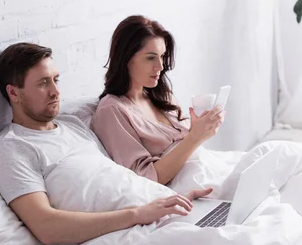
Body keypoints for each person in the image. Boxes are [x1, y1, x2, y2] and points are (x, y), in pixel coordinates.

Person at [0, 42, 211, 245]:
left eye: (56, 79)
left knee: (225, 221)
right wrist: (138, 214)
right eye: (43, 83)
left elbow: (116, 181)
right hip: (113, 242)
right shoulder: (12, 148)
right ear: (13, 92)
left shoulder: (73, 125)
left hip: (152, 218)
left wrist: (169, 199)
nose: (55, 91)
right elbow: (46, 226)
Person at [92, 15, 225, 185]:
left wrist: (202, 128)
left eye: (162, 56)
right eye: (150, 57)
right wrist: (195, 138)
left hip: (207, 170)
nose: (160, 66)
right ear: (126, 59)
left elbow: (186, 146)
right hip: (185, 189)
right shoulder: (111, 110)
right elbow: (145, 178)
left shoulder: (160, 94)